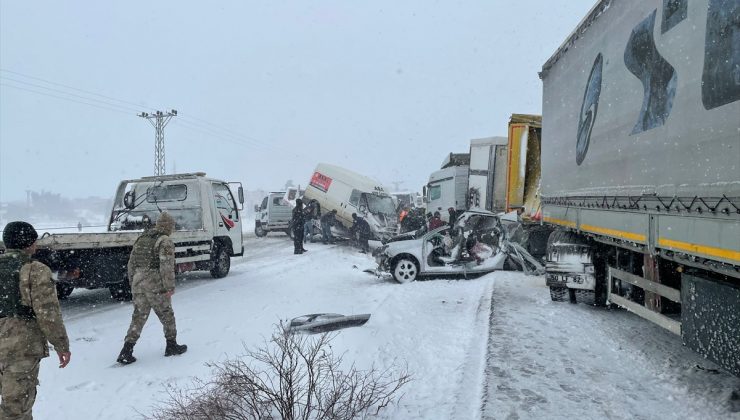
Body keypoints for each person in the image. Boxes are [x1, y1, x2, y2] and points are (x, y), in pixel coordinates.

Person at [0, 221, 71, 419]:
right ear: (29, 244)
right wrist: (61, 345)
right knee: (16, 408)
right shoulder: (34, 270)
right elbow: (48, 313)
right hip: (20, 346)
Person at [117, 212, 187, 365]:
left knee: (139, 316)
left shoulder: (142, 238)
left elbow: (131, 263)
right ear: (168, 226)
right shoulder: (165, 241)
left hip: (138, 281)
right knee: (167, 314)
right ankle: (171, 345)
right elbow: (166, 266)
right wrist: (169, 287)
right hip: (155, 283)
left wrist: (133, 281)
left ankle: (126, 350)